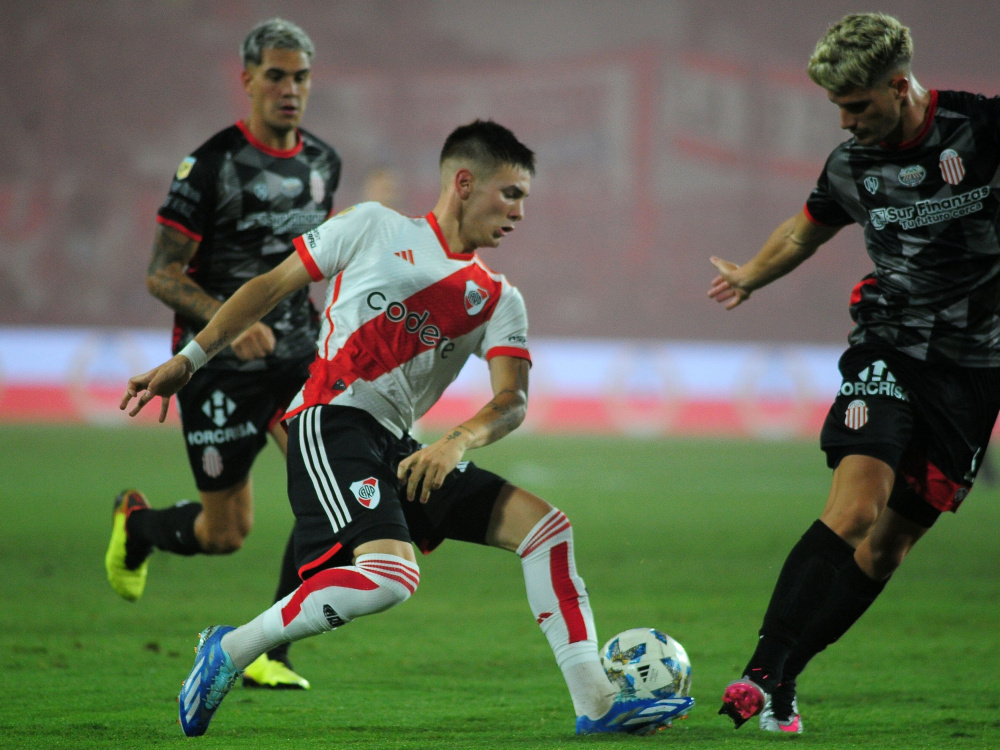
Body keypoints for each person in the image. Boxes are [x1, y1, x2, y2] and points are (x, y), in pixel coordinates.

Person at [121, 119, 695, 737]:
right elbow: (268, 287)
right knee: (391, 577)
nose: (520, 212)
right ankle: (231, 650)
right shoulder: (372, 226)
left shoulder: (498, 298)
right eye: (511, 194)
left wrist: (457, 440)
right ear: (464, 183)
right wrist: (190, 360)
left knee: (547, 531)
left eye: (524, 198)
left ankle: (597, 706)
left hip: (399, 445)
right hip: (328, 420)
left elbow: (512, 400)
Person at [708, 12, 1000, 733]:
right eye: (836, 106)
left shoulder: (982, 129)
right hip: (888, 348)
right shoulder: (851, 165)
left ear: (899, 86)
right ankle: (760, 670)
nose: (844, 121)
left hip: (973, 372)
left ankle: (786, 675)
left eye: (857, 105)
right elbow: (803, 230)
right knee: (855, 509)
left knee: (887, 548)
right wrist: (749, 276)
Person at [104, 18, 341, 691]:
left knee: (327, 487)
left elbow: (309, 260)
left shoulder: (324, 163)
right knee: (225, 533)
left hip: (298, 358)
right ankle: (139, 526)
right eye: (276, 76)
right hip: (218, 368)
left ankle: (271, 649)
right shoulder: (209, 166)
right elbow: (161, 274)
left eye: (301, 77)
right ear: (248, 80)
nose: (290, 89)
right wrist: (227, 324)